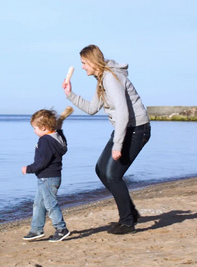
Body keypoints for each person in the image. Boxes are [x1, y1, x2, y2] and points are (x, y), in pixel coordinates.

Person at [62, 44, 151, 235]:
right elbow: (92, 108)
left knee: (113, 175)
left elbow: (123, 113)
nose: (83, 67)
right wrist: (70, 94)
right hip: (125, 129)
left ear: (93, 62)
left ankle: (127, 222)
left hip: (136, 130)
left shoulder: (111, 78)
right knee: (101, 170)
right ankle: (130, 213)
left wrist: (118, 145)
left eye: (84, 63)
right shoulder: (102, 79)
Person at [22, 107, 73, 242]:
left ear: (44, 128)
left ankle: (61, 229)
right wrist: (60, 129)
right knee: (38, 203)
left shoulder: (45, 140)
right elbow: (64, 147)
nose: (34, 131)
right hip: (50, 177)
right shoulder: (57, 136)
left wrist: (28, 169)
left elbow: (42, 162)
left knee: (50, 204)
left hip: (47, 177)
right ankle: (36, 229)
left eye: (35, 128)